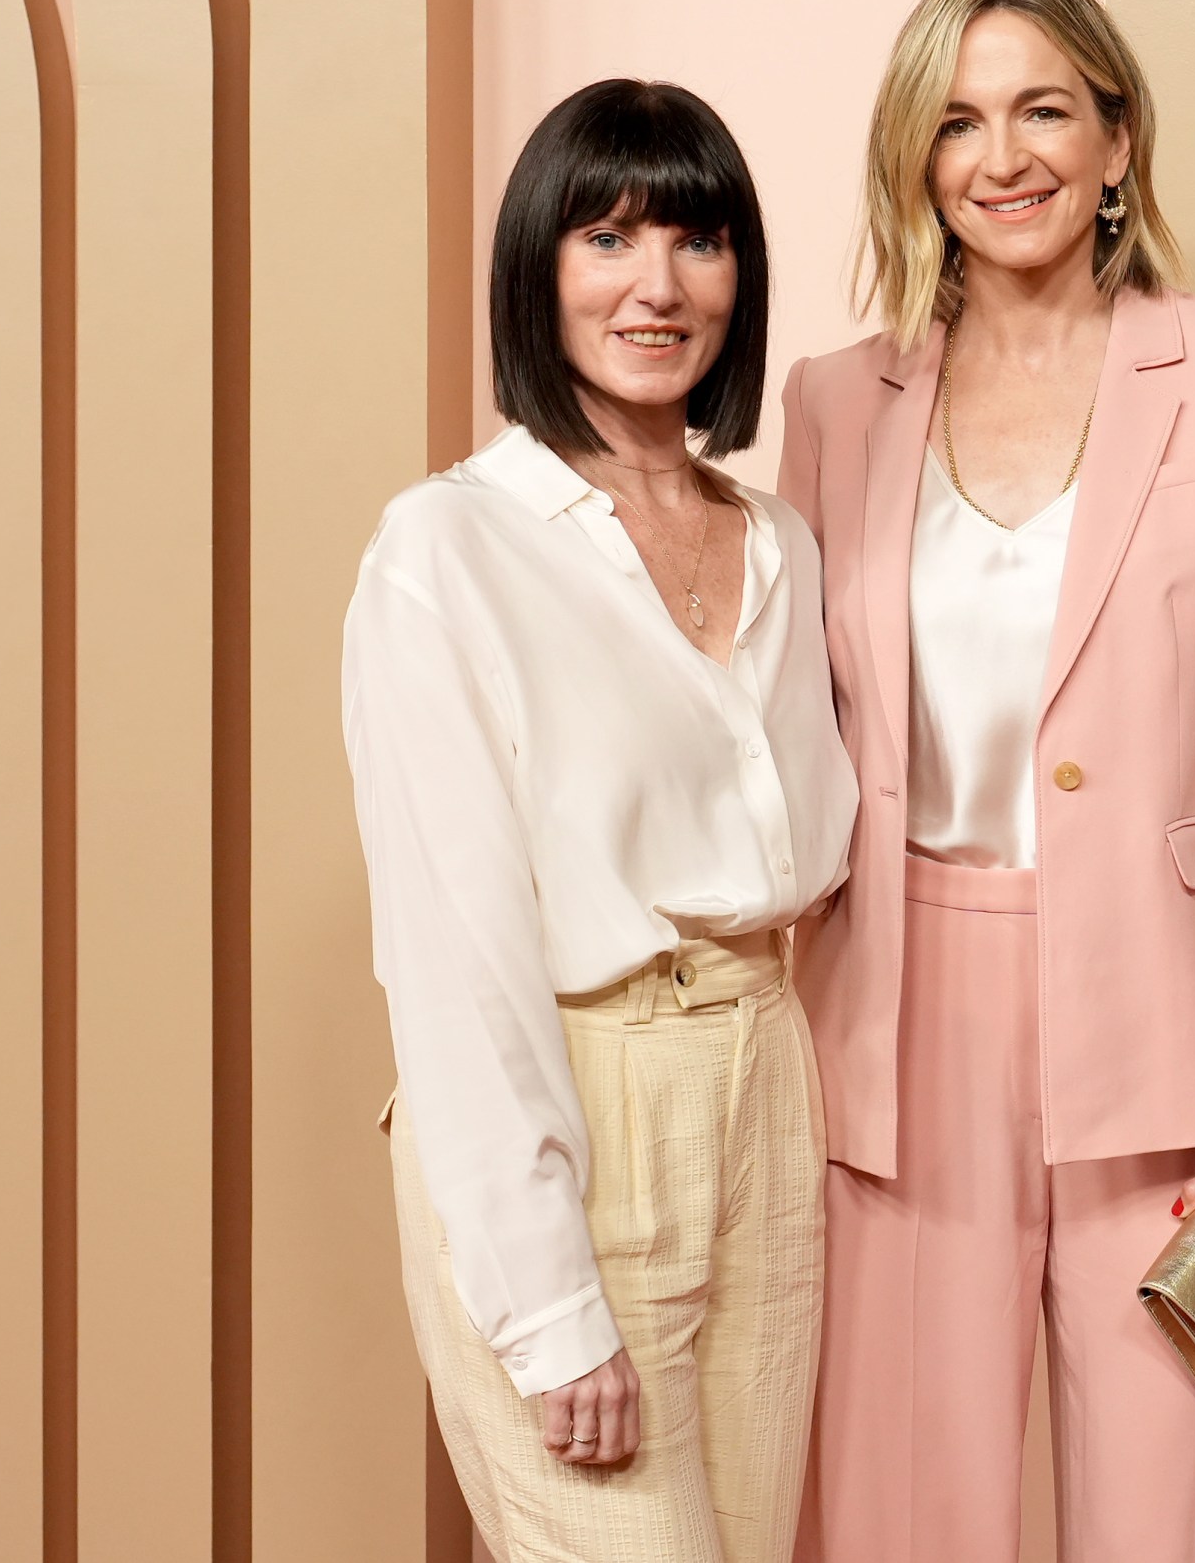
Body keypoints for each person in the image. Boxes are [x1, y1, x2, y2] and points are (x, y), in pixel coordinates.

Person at [775, 0, 1195, 1563]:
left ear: (1114, 139)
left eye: (1043, 109)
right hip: (889, 1025)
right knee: (898, 1512)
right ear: (915, 159)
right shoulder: (832, 401)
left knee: (1166, 1515)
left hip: (1167, 1038)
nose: (1002, 156)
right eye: (956, 123)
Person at [344, 79, 856, 1563]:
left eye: (697, 241)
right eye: (608, 238)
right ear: (538, 270)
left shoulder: (780, 545)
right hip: (579, 1094)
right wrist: (544, 1301)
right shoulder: (448, 548)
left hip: (767, 1091)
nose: (658, 284)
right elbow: (454, 958)